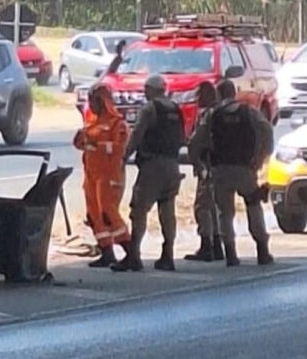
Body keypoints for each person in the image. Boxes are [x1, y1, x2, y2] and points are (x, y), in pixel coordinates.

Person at [188, 80, 274, 267]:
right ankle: (262, 250)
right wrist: (259, 158)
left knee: (225, 213)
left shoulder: (212, 115)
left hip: (220, 170)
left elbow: (195, 142)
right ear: (234, 93)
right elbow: (267, 131)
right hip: (245, 169)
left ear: (219, 95)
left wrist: (199, 164)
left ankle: (231, 254)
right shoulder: (249, 112)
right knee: (253, 205)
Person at [112, 75, 185, 272]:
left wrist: (125, 155)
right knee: (167, 211)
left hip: (153, 166)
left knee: (139, 210)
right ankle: (167, 254)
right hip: (172, 165)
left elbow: (137, 134)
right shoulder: (175, 109)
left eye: (146, 89)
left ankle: (134, 256)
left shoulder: (150, 109)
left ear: (152, 90)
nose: (144, 92)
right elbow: (182, 137)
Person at [74, 84, 131, 267]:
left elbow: (120, 149)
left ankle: (131, 253)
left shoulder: (118, 124)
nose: (92, 105)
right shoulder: (93, 124)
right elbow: (84, 144)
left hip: (110, 176)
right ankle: (107, 252)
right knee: (94, 214)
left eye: (95, 101)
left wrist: (96, 146)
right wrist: (80, 141)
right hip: (92, 175)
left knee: (109, 213)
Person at [184, 81, 224, 262]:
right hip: (223, 165)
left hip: (208, 165)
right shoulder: (223, 113)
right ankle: (218, 244)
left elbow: (195, 141)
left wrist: (197, 163)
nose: (197, 99)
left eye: (199, 95)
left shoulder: (208, 115)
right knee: (215, 206)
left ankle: (207, 245)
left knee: (202, 206)